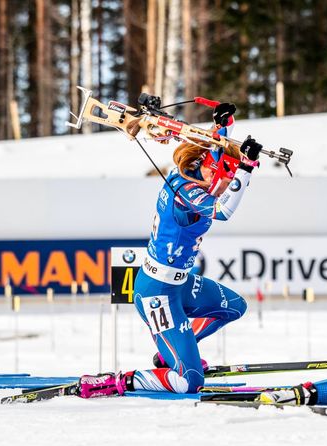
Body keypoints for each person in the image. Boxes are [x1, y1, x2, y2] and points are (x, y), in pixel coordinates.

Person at [77, 102, 263, 398]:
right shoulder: (187, 193)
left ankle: (171, 351)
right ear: (210, 171)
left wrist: (223, 123)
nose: (226, 184)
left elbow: (216, 146)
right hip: (156, 294)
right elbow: (224, 211)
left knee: (234, 306)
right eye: (224, 178)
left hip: (179, 284)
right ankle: (120, 381)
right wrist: (246, 169)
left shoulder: (199, 171)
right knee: (189, 381)